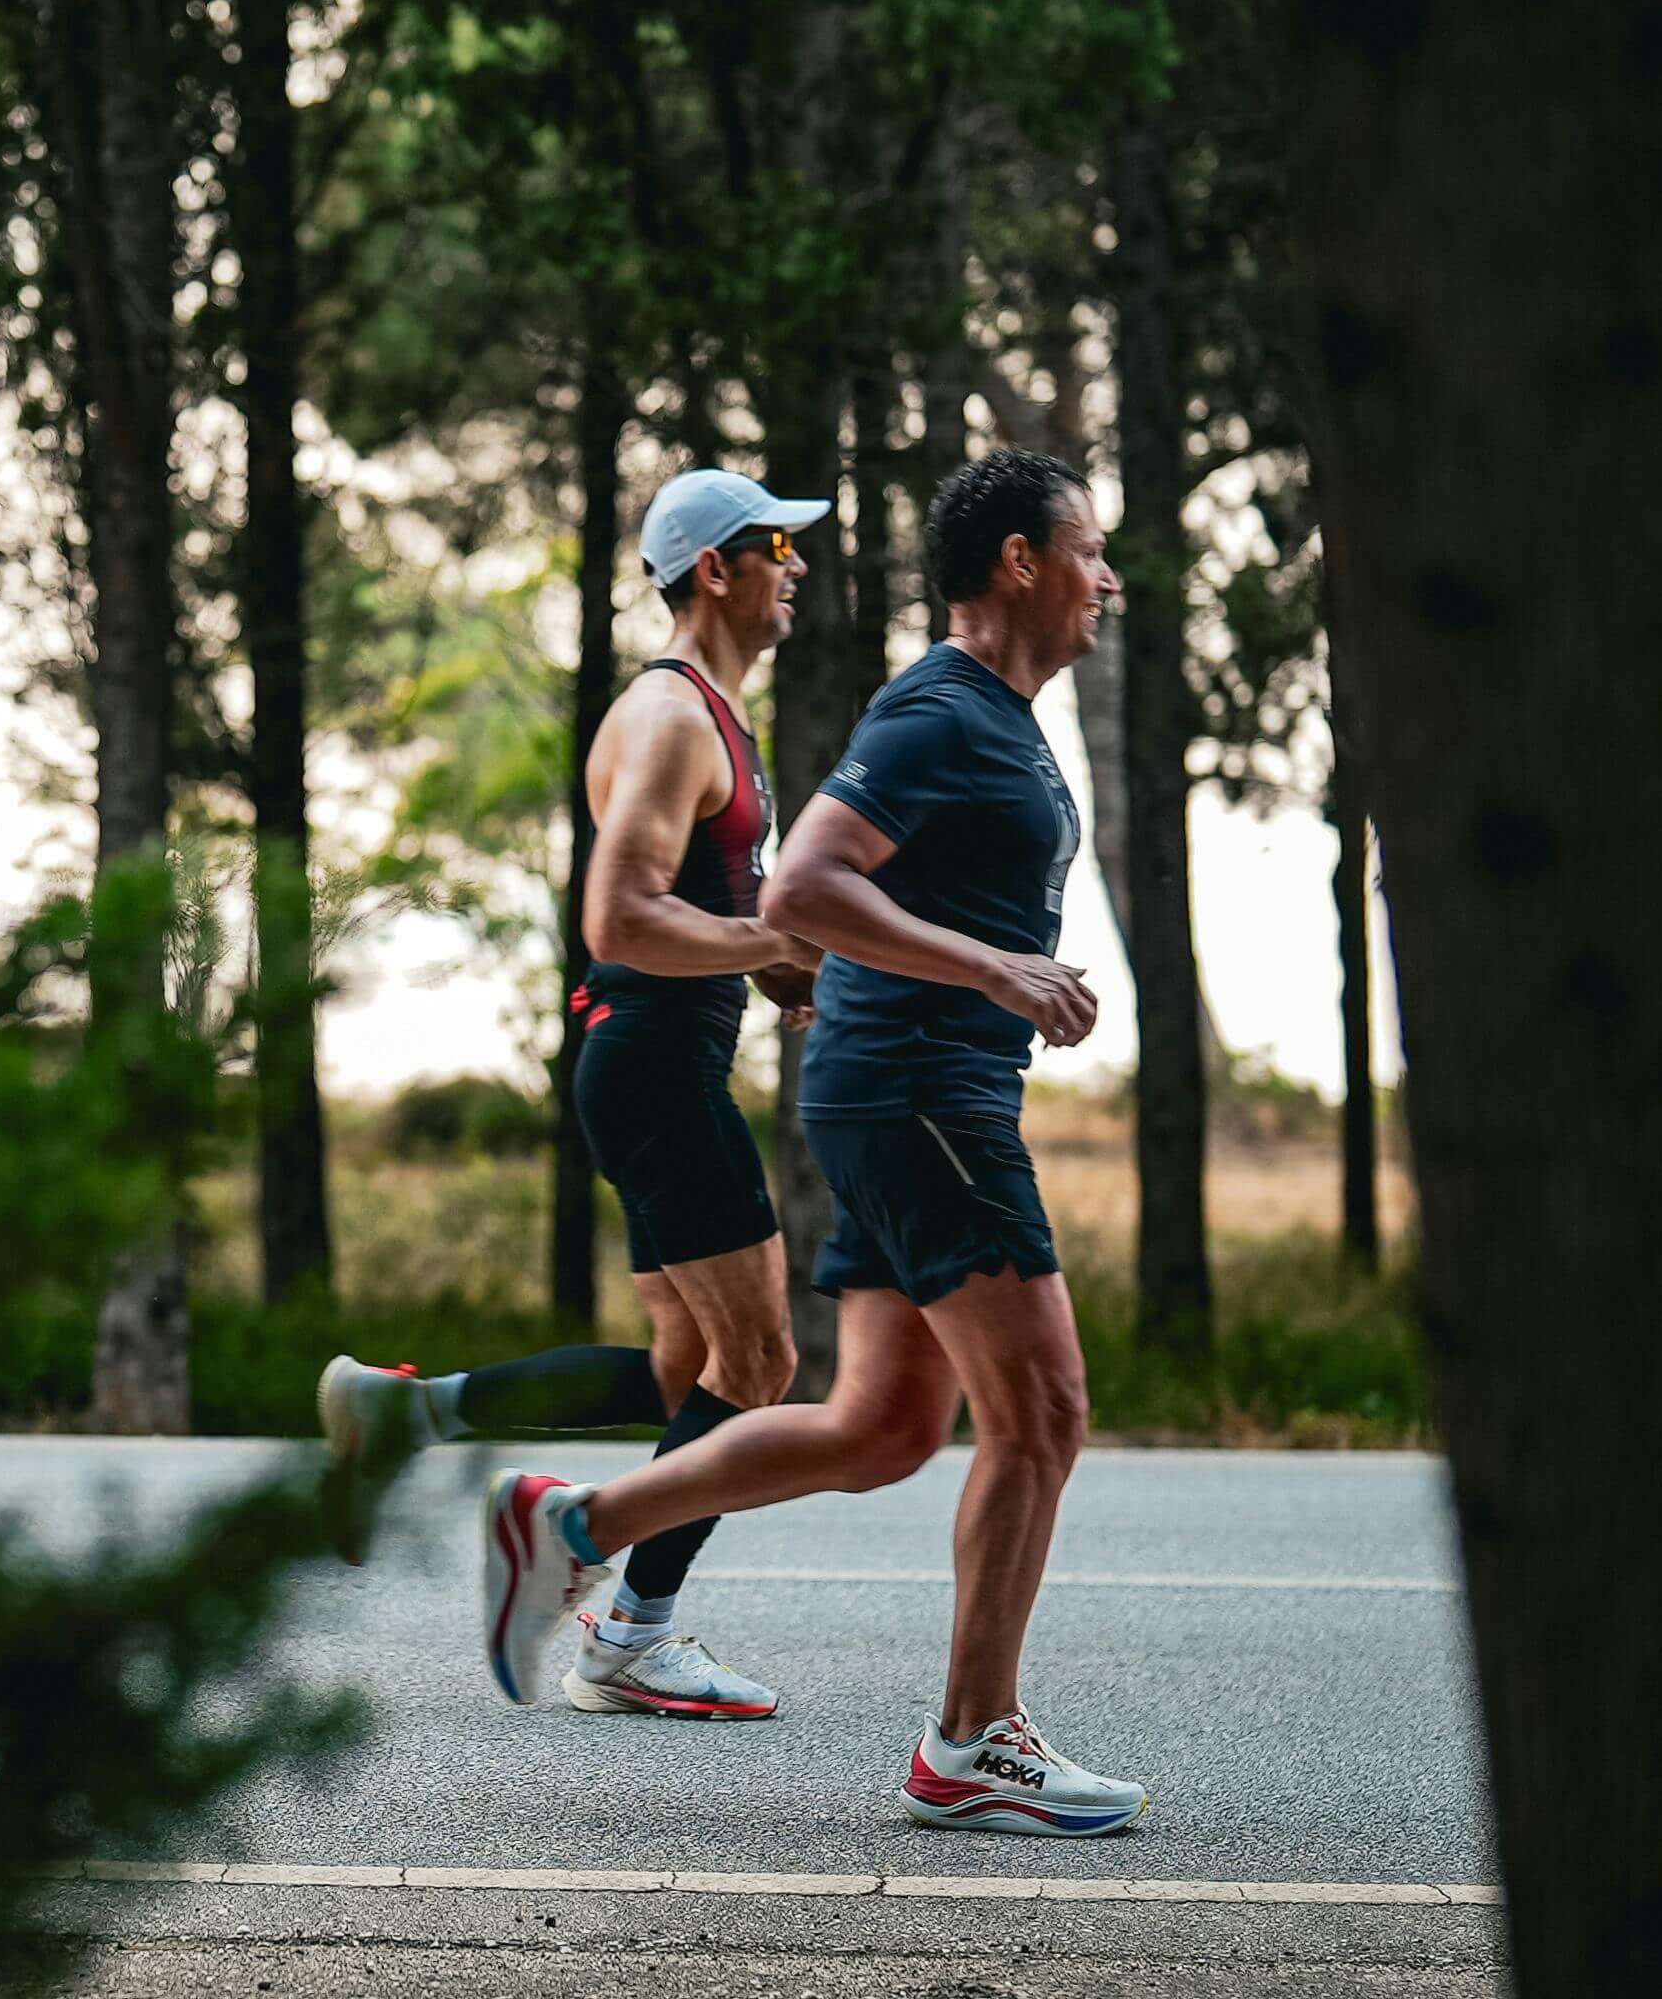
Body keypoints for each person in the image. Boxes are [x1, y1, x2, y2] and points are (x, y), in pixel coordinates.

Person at [471, 448, 1148, 1835]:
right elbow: (804, 883)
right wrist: (993, 972)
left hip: (893, 1083)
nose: (1106, 578)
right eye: (1087, 548)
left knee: (881, 1422)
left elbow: (819, 904)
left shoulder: (989, 717)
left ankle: (581, 1528)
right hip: (917, 1097)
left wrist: (848, 976)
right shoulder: (936, 708)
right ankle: (973, 1741)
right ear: (1018, 562)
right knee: (1045, 1413)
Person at [318, 467, 828, 1720]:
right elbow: (620, 913)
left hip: (649, 1052)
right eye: (779, 546)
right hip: (654, 1062)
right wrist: (763, 947)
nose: (798, 566)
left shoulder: (709, 711)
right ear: (717, 568)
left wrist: (764, 956)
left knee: (682, 1374)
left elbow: (682, 904)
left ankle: (412, 1412)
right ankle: (628, 1627)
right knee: (759, 1361)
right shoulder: (669, 716)